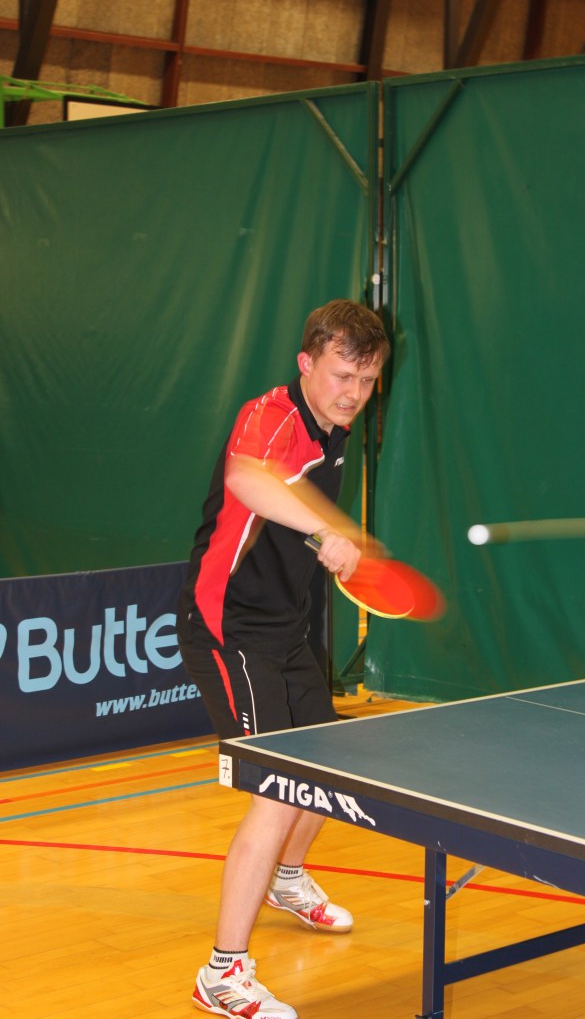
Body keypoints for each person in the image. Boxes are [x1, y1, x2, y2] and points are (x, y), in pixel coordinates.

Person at [177, 299, 391, 1018]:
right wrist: (327, 531)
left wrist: (336, 539)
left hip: (290, 628)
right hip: (229, 628)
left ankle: (286, 876)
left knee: (326, 766)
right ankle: (222, 973)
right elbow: (250, 480)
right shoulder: (269, 414)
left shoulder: (338, 432)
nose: (353, 393)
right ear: (306, 363)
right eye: (341, 376)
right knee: (275, 788)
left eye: (366, 380)